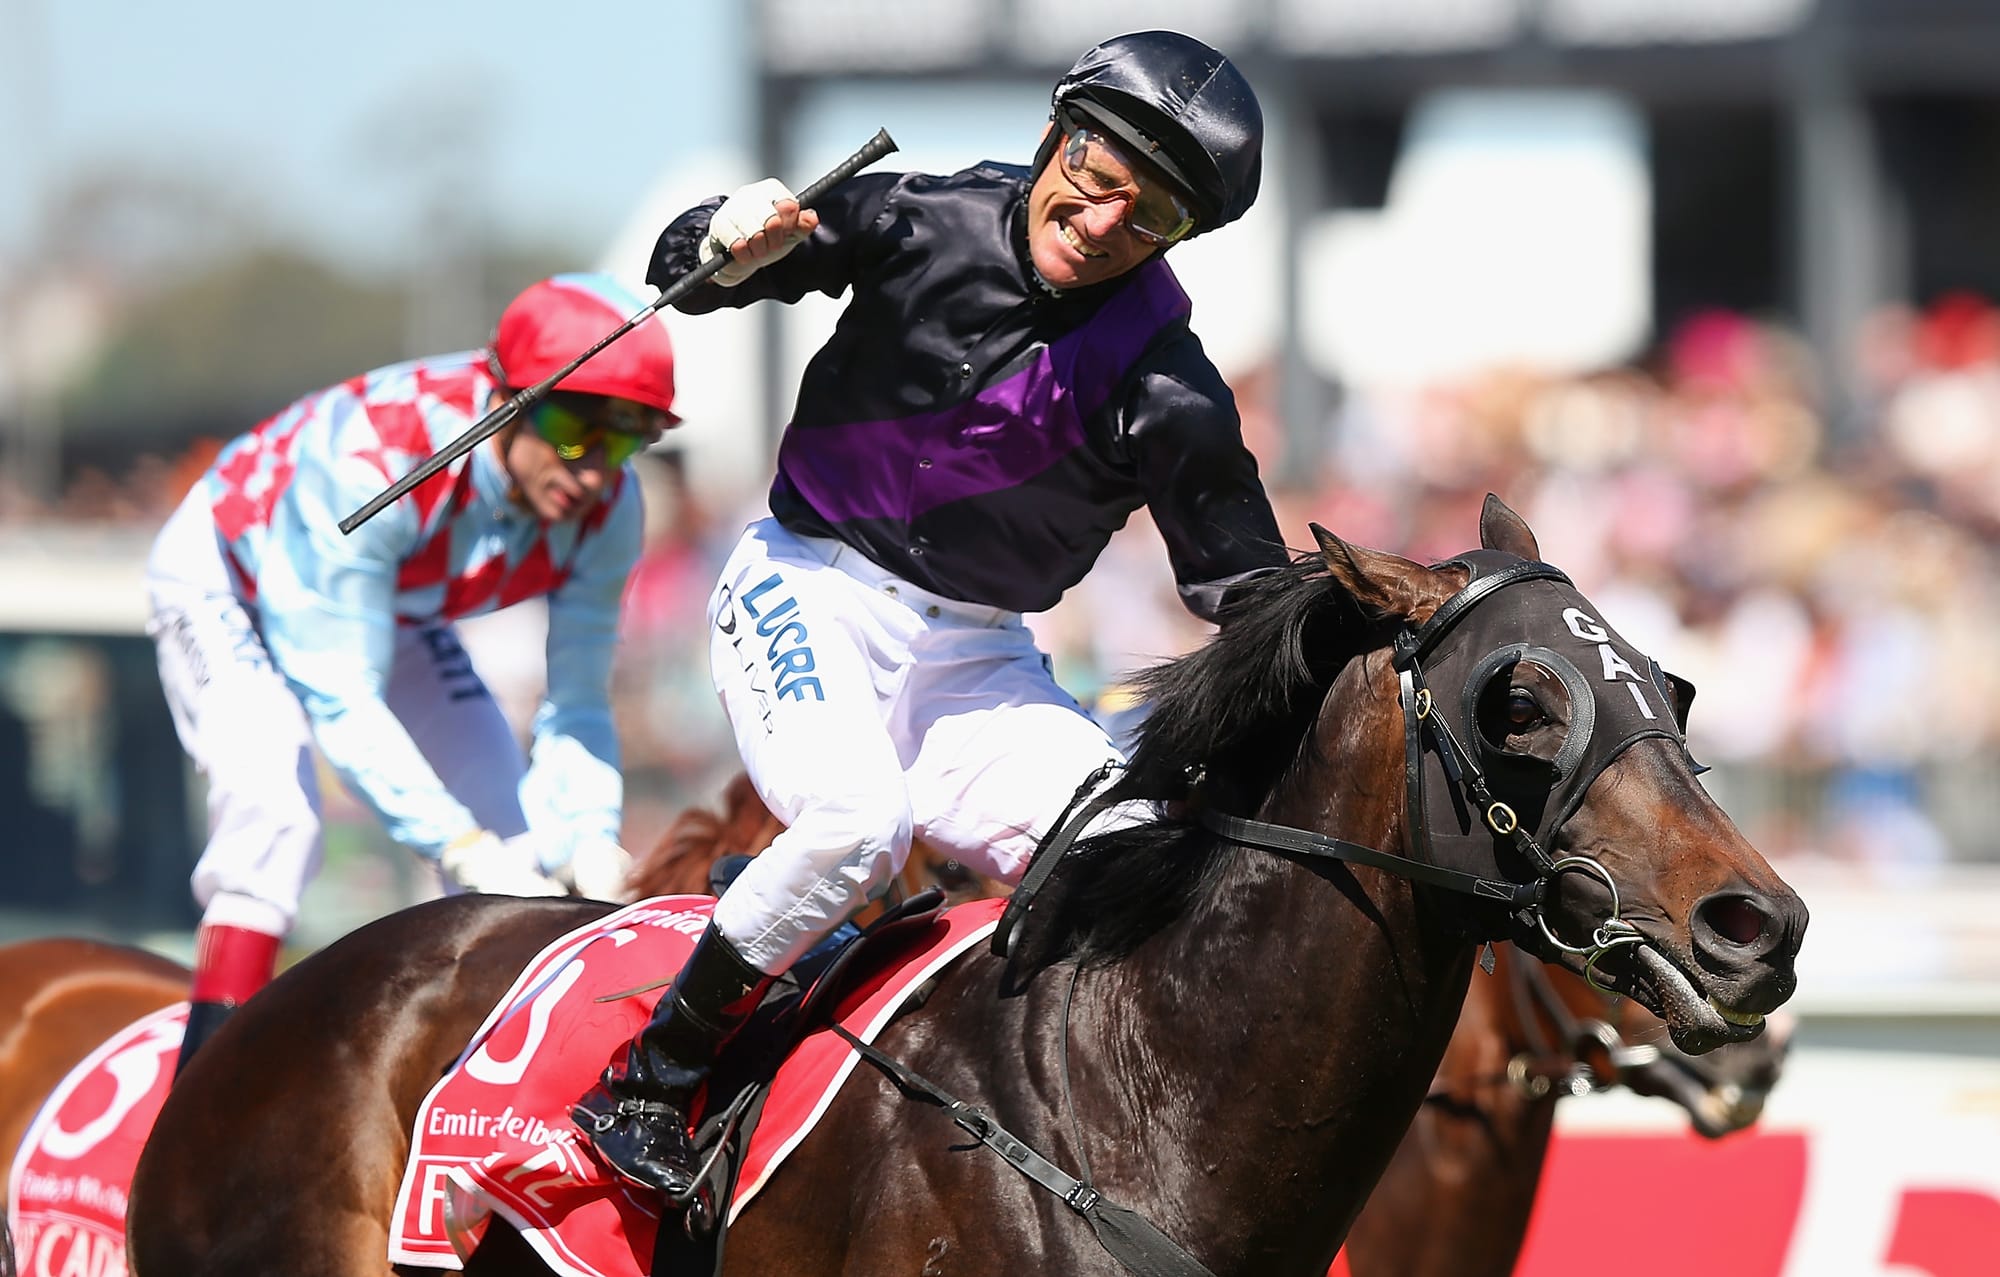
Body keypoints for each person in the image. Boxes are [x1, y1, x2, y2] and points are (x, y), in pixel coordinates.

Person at [570, 29, 1286, 1198]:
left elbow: (1254, 602)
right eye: (1095, 173)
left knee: (1133, 852)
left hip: (976, 658)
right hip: (804, 580)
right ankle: (649, 1079)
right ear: (1054, 136)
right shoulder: (919, 213)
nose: (1102, 219)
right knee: (858, 823)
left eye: (1148, 213)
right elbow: (682, 272)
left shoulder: (1171, 386)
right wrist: (722, 233)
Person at [145, 272, 680, 1074]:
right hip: (231, 580)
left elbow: (577, 700)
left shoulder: (610, 511)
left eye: (627, 440)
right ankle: (199, 1088)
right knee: (276, 814)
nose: (597, 474)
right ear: (505, 401)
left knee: (520, 841)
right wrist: (457, 846)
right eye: (575, 431)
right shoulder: (376, 461)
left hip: (389, 607)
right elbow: (341, 697)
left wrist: (590, 836)